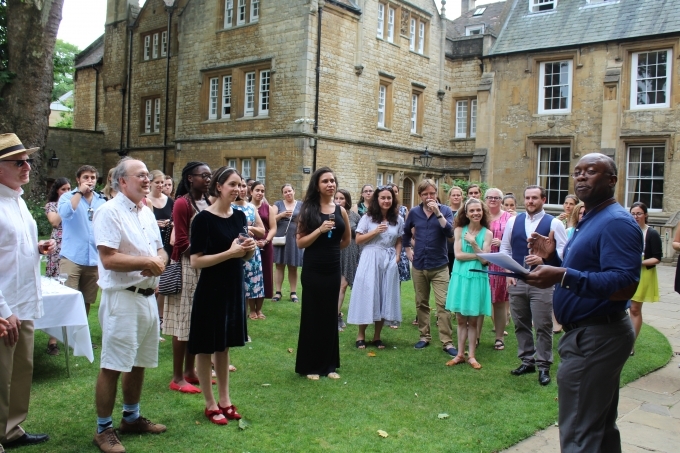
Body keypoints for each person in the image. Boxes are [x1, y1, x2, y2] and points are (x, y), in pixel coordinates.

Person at [524, 153, 641, 452]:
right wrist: (554, 258)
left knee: (579, 434)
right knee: (598, 430)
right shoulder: (590, 216)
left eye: (591, 171)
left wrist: (562, 274)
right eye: (577, 172)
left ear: (612, 180)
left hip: (596, 338)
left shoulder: (616, 222)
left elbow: (624, 285)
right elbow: (589, 270)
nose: (581, 177)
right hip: (589, 335)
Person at [92, 157, 168, 453]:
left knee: (138, 363)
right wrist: (145, 262)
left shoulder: (146, 211)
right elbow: (108, 258)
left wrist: (158, 262)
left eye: (148, 175)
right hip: (122, 299)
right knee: (113, 363)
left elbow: (161, 251)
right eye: (140, 176)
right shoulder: (108, 212)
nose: (147, 179)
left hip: (148, 298)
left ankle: (131, 418)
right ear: (122, 181)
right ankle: (103, 430)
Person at [188, 166, 255, 426]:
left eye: (240, 185)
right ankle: (210, 403)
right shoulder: (203, 219)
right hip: (211, 288)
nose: (238, 189)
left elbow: (244, 254)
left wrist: (248, 249)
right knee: (206, 347)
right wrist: (229, 253)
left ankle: (225, 400)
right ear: (219, 187)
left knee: (224, 345)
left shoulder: (239, 216)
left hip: (233, 287)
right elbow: (196, 261)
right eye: (232, 184)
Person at [0, 133, 52, 449]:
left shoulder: (17, 200)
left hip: (24, 301)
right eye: (18, 162)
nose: (27, 166)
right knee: (0, 376)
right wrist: (3, 311)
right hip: (5, 307)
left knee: (21, 373)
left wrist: (36, 247)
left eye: (28, 160)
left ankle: (12, 430)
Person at [500, 185, 567, 386]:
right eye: (527, 198)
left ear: (543, 200)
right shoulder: (514, 221)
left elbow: (565, 254)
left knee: (542, 324)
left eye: (535, 198)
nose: (530, 201)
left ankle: (544, 365)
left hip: (543, 281)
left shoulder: (554, 223)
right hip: (518, 279)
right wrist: (507, 273)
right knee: (520, 323)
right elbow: (505, 247)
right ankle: (526, 360)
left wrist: (545, 260)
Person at [295, 167, 350, 380]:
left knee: (329, 315)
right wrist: (319, 231)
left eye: (332, 180)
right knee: (312, 315)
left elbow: (345, 240)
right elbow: (300, 242)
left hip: (332, 268)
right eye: (325, 181)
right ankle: (311, 366)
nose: (330, 184)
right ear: (317, 185)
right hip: (313, 268)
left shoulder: (340, 210)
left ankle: (329, 366)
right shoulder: (308, 210)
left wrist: (332, 246)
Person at [163, 162, 212, 394]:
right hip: (187, 266)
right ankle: (177, 376)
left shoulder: (209, 202)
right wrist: (202, 255)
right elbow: (181, 241)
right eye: (204, 176)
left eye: (210, 175)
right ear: (190, 178)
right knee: (183, 321)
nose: (208, 179)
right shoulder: (183, 204)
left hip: (206, 265)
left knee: (197, 320)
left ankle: (191, 371)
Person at [403, 179, 457, 357]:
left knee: (443, 304)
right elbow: (405, 232)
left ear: (436, 193)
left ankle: (447, 342)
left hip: (440, 265)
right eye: (425, 194)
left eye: (432, 193)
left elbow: (450, 233)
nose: (429, 197)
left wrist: (438, 213)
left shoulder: (446, 210)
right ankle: (424, 336)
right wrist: (408, 249)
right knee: (421, 303)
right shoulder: (414, 212)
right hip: (419, 265)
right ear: (420, 195)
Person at [347, 186, 403, 348]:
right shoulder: (368, 218)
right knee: (368, 294)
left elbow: (399, 239)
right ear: (377, 200)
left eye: (389, 198)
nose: (386, 201)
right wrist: (375, 231)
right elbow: (358, 240)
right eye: (383, 198)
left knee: (384, 295)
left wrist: (397, 257)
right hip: (370, 258)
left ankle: (377, 336)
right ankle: (360, 335)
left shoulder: (398, 219)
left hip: (389, 259)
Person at [445, 198, 492, 369]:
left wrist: (473, 243)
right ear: (466, 213)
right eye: (472, 211)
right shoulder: (458, 230)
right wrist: (479, 255)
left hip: (477, 277)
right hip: (460, 276)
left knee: (473, 320)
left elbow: (486, 261)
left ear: (483, 211)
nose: (475, 213)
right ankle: (459, 354)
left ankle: (471, 355)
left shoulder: (487, 233)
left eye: (478, 210)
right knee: (460, 318)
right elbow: (458, 255)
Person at [58, 165, 107, 318]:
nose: (89, 181)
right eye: (86, 177)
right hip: (72, 256)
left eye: (92, 178)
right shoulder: (67, 197)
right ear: (78, 179)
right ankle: (60, 339)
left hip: (93, 259)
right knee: (68, 299)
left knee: (87, 301)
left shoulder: (101, 201)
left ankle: (81, 340)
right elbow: (65, 213)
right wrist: (79, 193)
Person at [628, 202, 662, 355]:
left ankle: (630, 345)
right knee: (625, 308)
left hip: (644, 273)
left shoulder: (652, 233)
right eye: (633, 214)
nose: (636, 217)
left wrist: (639, 262)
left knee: (635, 309)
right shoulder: (627, 231)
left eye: (639, 213)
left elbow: (657, 258)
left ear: (645, 215)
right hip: (627, 272)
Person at [43, 177, 71, 355]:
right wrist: (66, 204)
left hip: (71, 250)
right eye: (63, 190)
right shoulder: (52, 206)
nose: (67, 192)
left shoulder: (75, 204)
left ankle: (73, 336)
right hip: (56, 250)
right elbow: (54, 222)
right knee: (56, 294)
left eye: (69, 189)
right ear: (57, 191)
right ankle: (52, 340)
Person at [232, 179, 266, 320]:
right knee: (239, 282)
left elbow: (262, 231)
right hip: (235, 250)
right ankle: (241, 312)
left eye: (244, 186)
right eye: (238, 186)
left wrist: (250, 228)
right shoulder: (230, 207)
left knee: (254, 280)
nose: (241, 189)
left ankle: (255, 310)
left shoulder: (251, 208)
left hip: (252, 251)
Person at [485, 188, 513, 350]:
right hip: (482, 262)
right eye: (489, 197)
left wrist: (501, 242)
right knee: (481, 300)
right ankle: (477, 336)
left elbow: (515, 241)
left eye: (496, 197)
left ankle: (499, 337)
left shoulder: (509, 218)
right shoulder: (480, 215)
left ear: (501, 200)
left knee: (499, 302)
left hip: (500, 264)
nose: (493, 200)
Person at [147, 170, 174, 338]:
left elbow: (175, 219)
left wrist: (170, 223)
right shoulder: (146, 201)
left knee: (164, 285)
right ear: (150, 183)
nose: (160, 185)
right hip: (152, 244)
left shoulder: (169, 201)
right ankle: (152, 319)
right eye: (157, 182)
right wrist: (155, 223)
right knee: (154, 284)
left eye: (162, 182)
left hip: (167, 245)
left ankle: (161, 317)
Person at [272, 184, 303, 302]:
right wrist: (281, 215)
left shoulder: (301, 205)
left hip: (294, 237)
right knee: (279, 265)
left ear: (294, 191)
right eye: (285, 192)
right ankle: (278, 292)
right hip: (280, 236)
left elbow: (305, 219)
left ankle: (293, 293)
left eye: (290, 191)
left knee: (293, 266)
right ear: (283, 194)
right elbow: (271, 219)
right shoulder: (278, 204)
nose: (288, 193)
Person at [334, 188, 360, 331]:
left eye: (342, 198)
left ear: (347, 200)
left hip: (350, 252)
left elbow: (361, 238)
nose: (338, 201)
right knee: (332, 286)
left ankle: (336, 316)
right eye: (336, 198)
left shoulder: (355, 217)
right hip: (334, 251)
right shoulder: (330, 214)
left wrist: (359, 257)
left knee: (343, 285)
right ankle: (333, 315)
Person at [250, 181, 277, 318]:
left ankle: (259, 309)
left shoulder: (269, 208)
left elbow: (273, 228)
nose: (260, 193)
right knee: (251, 276)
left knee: (264, 276)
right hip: (250, 244)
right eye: (257, 190)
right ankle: (251, 310)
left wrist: (266, 241)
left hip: (266, 245)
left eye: (262, 191)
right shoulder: (247, 207)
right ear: (251, 192)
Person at [446, 186, 464, 273]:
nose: (456, 197)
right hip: (447, 248)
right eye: (453, 195)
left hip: (462, 247)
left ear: (462, 197)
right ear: (449, 197)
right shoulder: (444, 211)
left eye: (458, 195)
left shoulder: (465, 211)